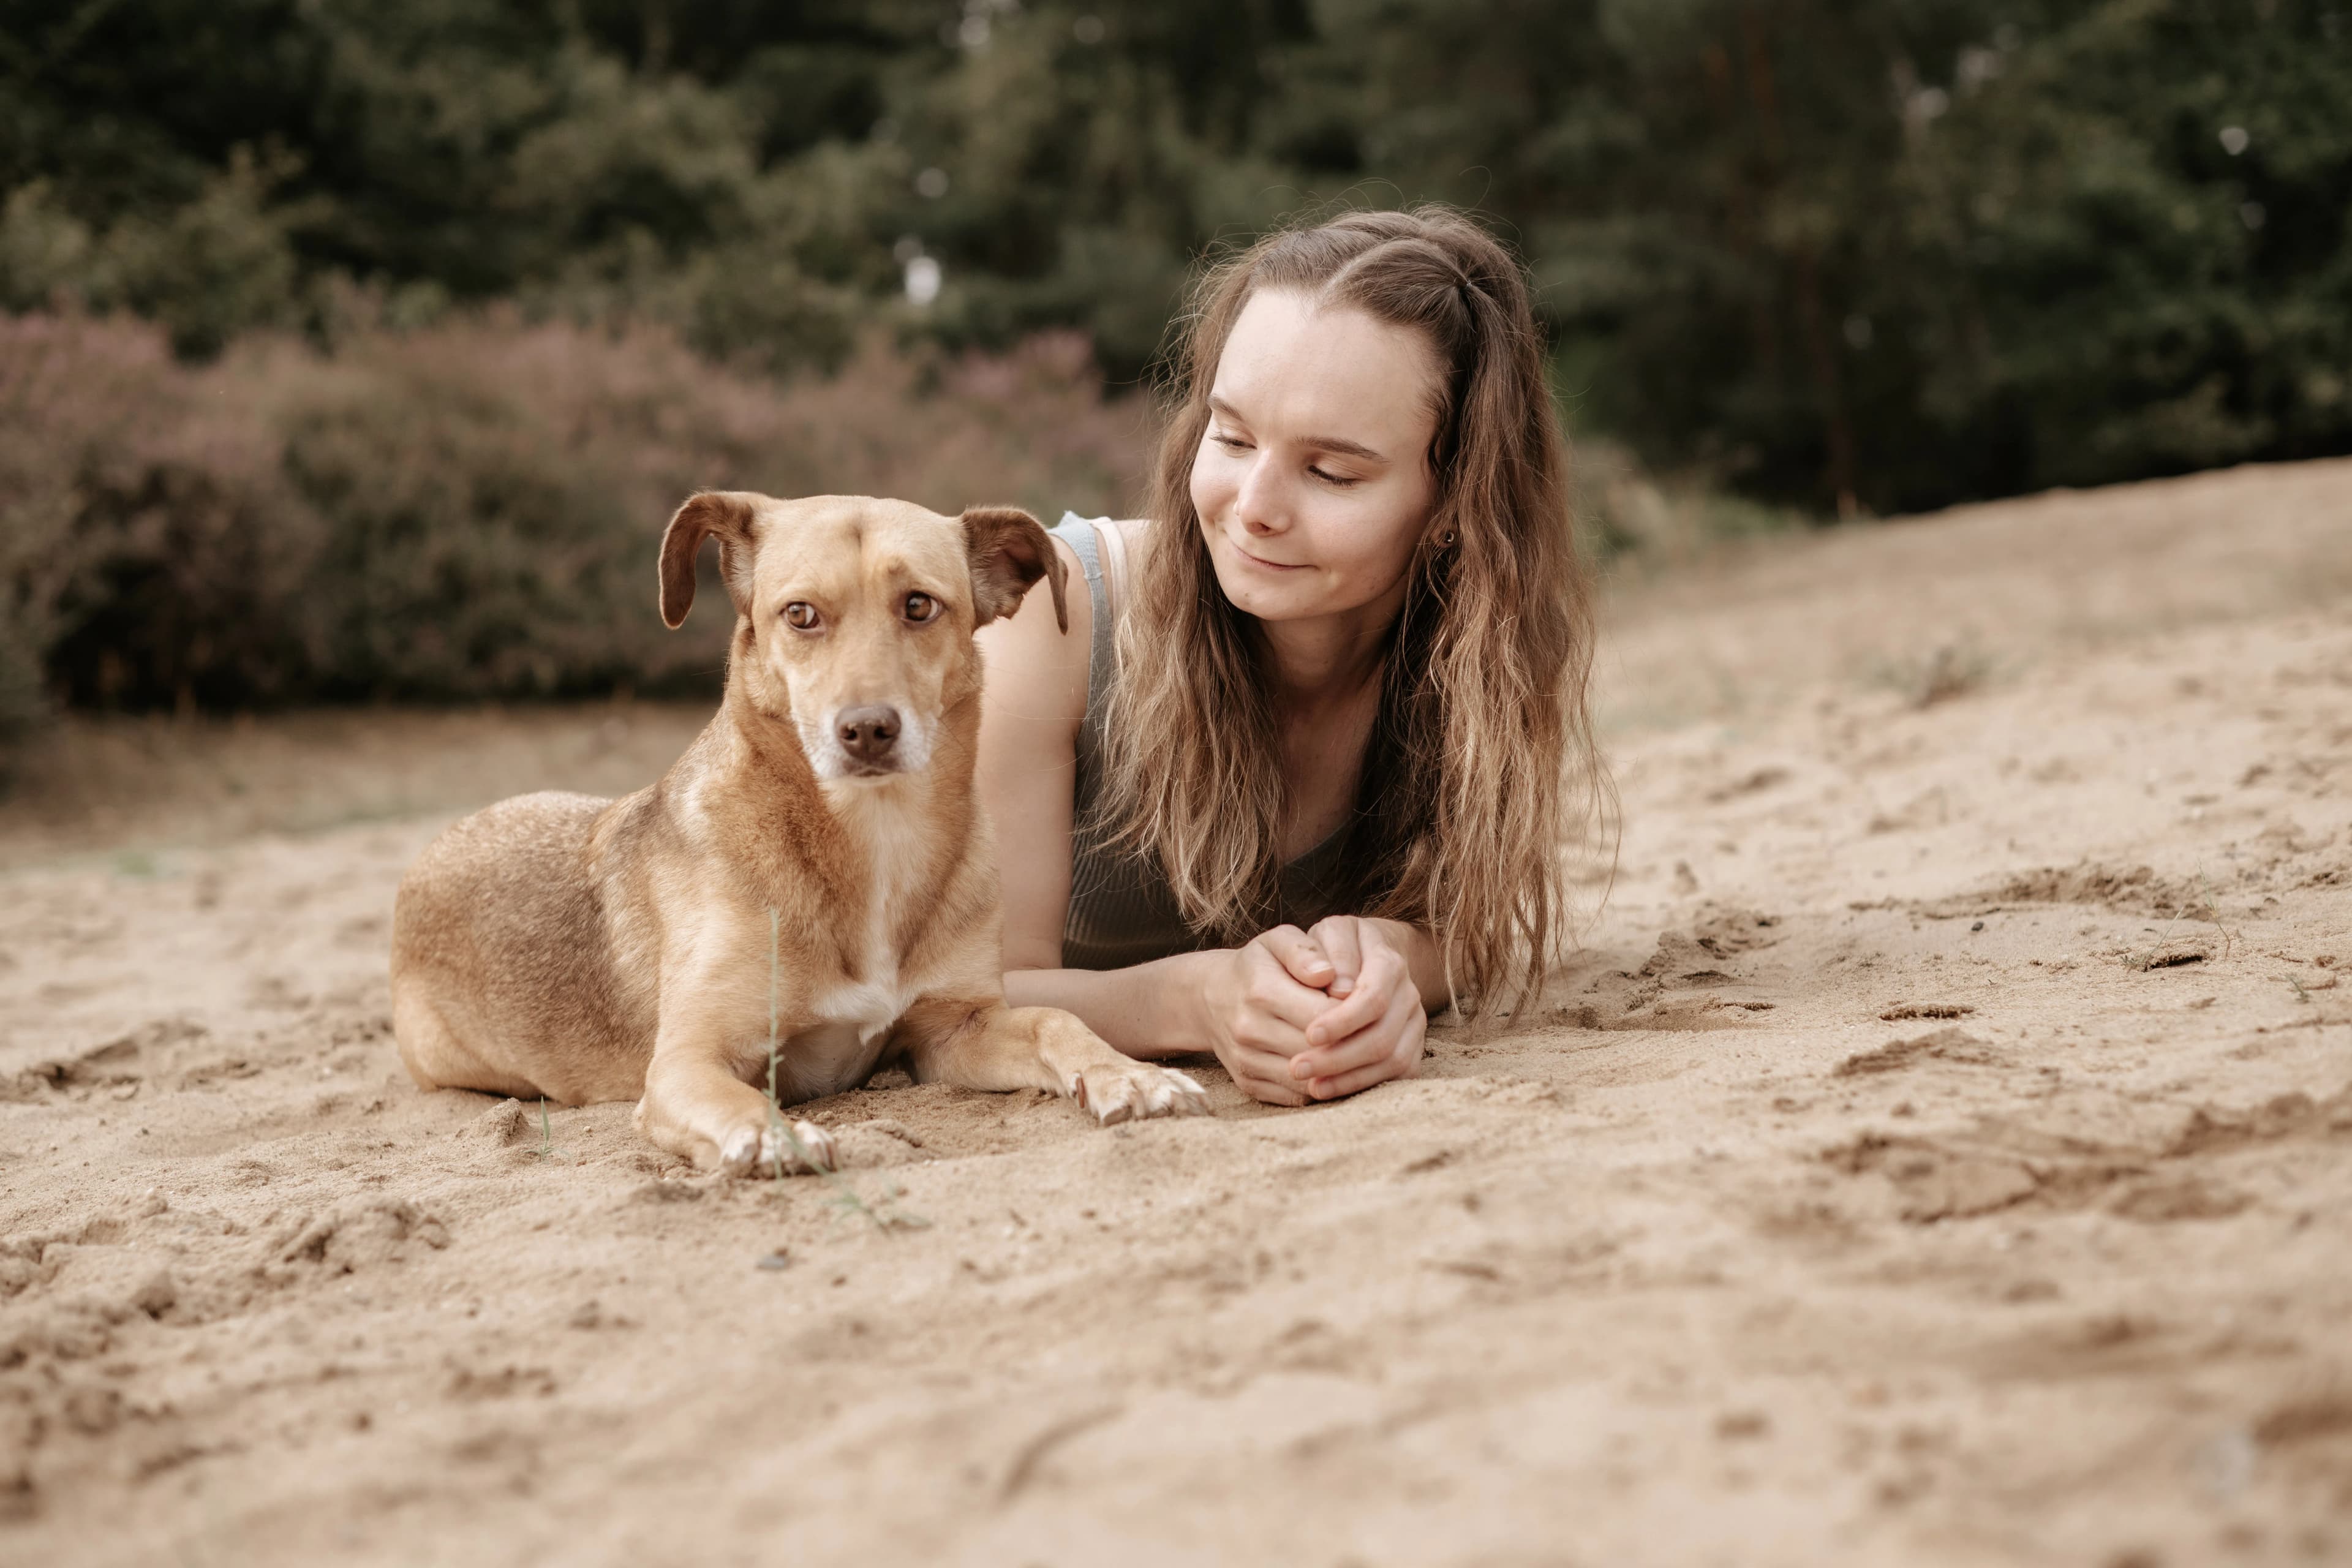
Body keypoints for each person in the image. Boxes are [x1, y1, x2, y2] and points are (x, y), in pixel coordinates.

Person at [974, 206, 1604, 1107]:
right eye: (1230, 438)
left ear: (1457, 504)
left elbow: (1471, 929)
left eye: (1332, 473)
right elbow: (960, 1003)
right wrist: (1196, 1000)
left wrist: (1390, 963)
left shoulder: (1477, 654)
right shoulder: (1054, 614)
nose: (1253, 505)